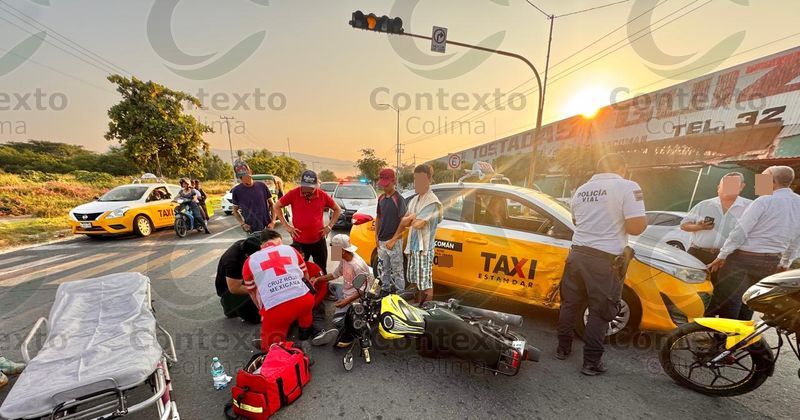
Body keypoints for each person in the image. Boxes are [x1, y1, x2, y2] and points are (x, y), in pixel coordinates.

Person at [555, 153, 646, 376]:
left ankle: (562, 349)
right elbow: (636, 227)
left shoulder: (581, 189)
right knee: (601, 310)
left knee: (569, 304)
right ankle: (591, 362)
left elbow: (577, 221)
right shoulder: (627, 186)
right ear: (622, 168)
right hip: (604, 261)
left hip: (577, 255)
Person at [707, 166, 800, 320]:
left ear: (772, 181)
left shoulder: (764, 200)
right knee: (749, 301)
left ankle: (722, 340)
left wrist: (722, 255)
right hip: (771, 262)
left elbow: (740, 231)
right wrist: (785, 263)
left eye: (762, 178)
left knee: (731, 301)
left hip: (742, 259)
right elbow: (797, 239)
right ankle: (738, 341)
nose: (758, 184)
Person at [242, 229, 316, 351]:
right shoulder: (290, 249)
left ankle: (288, 349)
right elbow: (305, 276)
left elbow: (252, 291)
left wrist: (263, 311)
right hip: (304, 300)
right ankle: (304, 333)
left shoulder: (250, 261)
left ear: (262, 244)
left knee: (270, 344)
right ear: (278, 240)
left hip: (277, 308)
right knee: (305, 313)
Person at [680, 172, 751, 291]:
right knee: (688, 288)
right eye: (726, 185)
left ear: (742, 186)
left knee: (720, 293)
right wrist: (699, 227)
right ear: (718, 187)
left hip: (728, 258)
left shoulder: (750, 207)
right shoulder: (704, 205)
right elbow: (684, 225)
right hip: (698, 253)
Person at [387, 164, 442, 305]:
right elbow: (404, 220)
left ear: (429, 179)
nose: (417, 183)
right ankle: (417, 308)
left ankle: (426, 311)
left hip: (424, 250)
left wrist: (410, 218)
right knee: (416, 283)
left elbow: (418, 224)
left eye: (421, 179)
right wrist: (411, 219)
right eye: (415, 179)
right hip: (413, 248)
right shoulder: (415, 199)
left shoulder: (432, 201)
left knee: (426, 284)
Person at [308, 234, 372, 347]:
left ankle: (359, 320)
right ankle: (342, 301)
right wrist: (318, 279)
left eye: (334, 248)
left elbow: (363, 290)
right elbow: (335, 274)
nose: (332, 250)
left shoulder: (357, 265)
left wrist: (345, 302)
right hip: (346, 289)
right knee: (330, 286)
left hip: (354, 296)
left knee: (337, 321)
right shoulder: (344, 259)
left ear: (342, 250)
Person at [274, 170, 342, 273]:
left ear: (315, 185)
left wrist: (329, 226)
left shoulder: (322, 195)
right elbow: (277, 206)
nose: (306, 189)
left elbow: (337, 209)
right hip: (299, 242)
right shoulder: (294, 193)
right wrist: (286, 226)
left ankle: (324, 286)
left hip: (318, 241)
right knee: (298, 269)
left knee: (322, 268)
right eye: (305, 186)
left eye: (310, 187)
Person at [215, 236, 264, 324]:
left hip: (245, 279)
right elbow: (235, 289)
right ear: (247, 255)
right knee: (256, 318)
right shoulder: (233, 262)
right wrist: (261, 290)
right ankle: (229, 304)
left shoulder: (249, 243)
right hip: (230, 289)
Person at [375, 168, 408, 294]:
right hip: (382, 241)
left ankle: (400, 293)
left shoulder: (398, 199)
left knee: (398, 270)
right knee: (384, 268)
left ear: (393, 181)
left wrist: (394, 240)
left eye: (386, 184)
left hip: (394, 241)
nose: (384, 187)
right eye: (382, 184)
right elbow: (378, 217)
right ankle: (385, 290)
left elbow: (403, 222)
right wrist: (376, 236)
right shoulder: (381, 198)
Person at [231, 163, 274, 234]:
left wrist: (273, 222)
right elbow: (235, 211)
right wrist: (242, 224)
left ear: (250, 172)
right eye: (241, 176)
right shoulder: (236, 190)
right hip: (251, 230)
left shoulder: (262, 186)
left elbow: (272, 205)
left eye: (246, 174)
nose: (244, 178)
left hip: (267, 228)